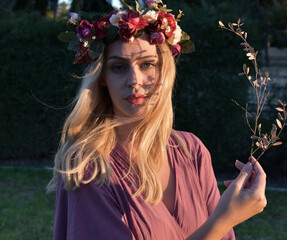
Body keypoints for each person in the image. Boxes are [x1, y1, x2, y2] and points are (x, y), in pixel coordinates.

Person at [47, 1, 267, 239]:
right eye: (119, 67)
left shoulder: (191, 151)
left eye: (147, 64)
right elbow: (218, 229)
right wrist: (224, 219)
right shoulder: (89, 166)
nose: (135, 80)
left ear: (165, 71)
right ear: (102, 77)